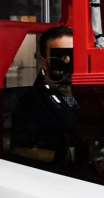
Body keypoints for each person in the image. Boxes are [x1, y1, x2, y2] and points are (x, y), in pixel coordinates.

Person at [5, 25, 80, 169]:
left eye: (73, 55)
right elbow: (22, 150)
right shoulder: (30, 104)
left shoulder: (88, 96)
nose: (68, 63)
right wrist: (68, 155)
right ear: (43, 62)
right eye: (60, 57)